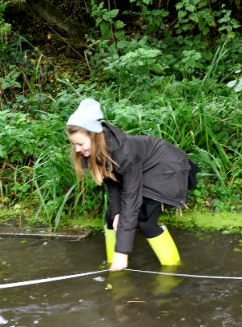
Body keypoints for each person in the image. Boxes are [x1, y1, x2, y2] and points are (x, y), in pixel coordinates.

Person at [66, 98, 198, 271]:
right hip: (144, 168)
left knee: (145, 219)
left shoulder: (124, 153)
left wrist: (123, 251)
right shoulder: (96, 151)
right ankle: (113, 265)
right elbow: (113, 184)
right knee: (111, 218)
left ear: (95, 137)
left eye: (80, 144)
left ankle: (173, 267)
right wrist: (117, 212)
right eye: (74, 144)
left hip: (166, 167)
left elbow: (131, 196)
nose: (77, 149)